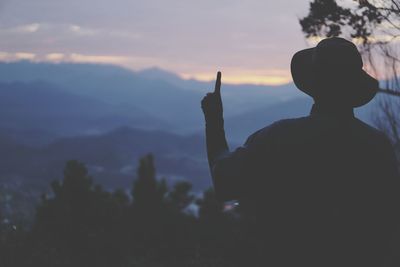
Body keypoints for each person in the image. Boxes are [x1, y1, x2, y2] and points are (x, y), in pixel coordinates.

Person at [201, 37, 400, 267]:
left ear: (314, 84)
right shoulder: (378, 147)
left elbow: (224, 181)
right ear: (354, 89)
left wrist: (214, 122)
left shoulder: (278, 138)